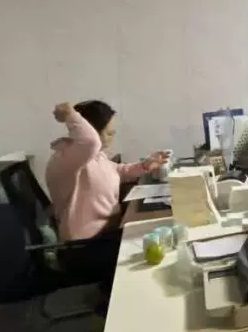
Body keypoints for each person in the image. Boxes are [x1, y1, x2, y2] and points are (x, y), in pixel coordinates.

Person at [47, 100, 168, 242]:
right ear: (92, 131)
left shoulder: (96, 156)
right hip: (87, 244)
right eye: (109, 133)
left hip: (109, 231)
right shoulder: (66, 158)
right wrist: (69, 114)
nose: (113, 136)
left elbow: (118, 171)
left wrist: (145, 165)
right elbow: (91, 142)